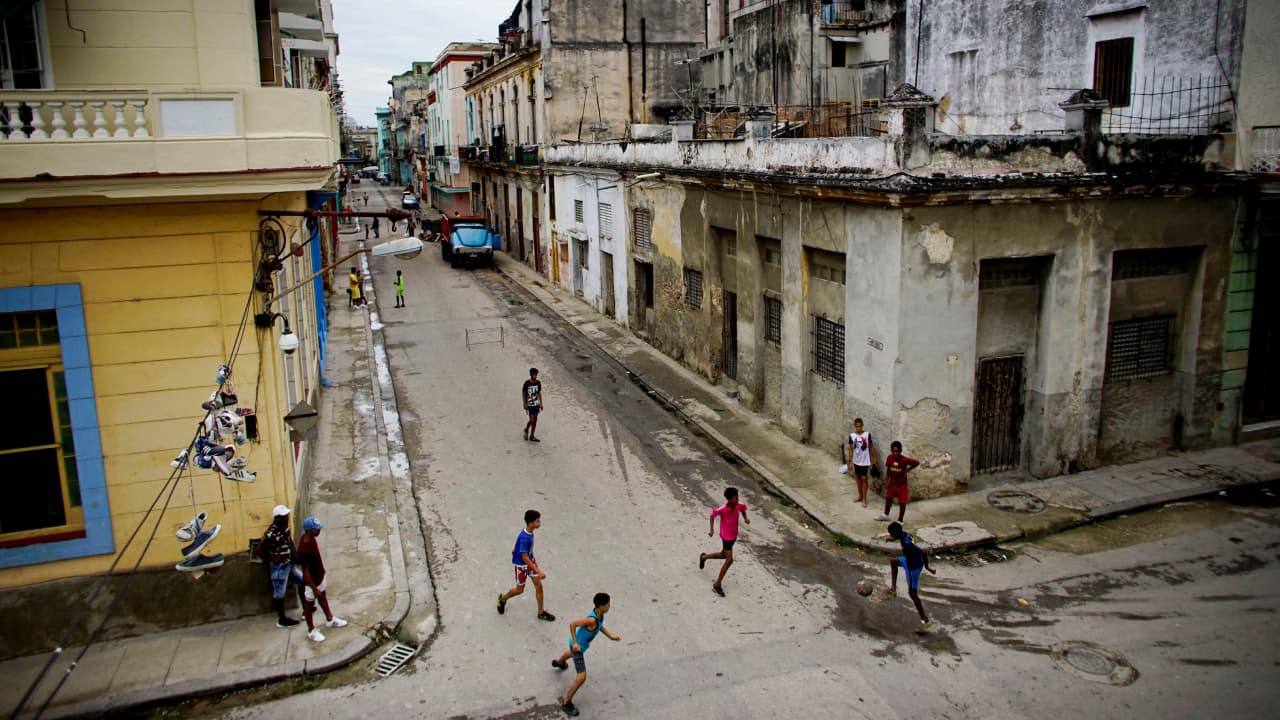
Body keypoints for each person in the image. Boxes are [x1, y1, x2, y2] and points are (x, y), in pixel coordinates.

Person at [551, 592, 620, 717]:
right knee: (582, 677)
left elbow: (600, 626)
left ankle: (559, 662)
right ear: (601, 606)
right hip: (577, 648)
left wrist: (610, 636)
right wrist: (575, 643)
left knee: (570, 653)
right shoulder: (591, 620)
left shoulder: (600, 615)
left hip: (577, 646)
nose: (609, 606)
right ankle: (567, 702)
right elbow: (573, 624)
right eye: (608, 605)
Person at [295, 516, 349, 643]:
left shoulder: (310, 538)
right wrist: (314, 588)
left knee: (323, 598)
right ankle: (311, 630)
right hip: (312, 582)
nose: (319, 531)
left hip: (319, 576)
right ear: (309, 530)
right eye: (316, 529)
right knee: (309, 606)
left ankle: (330, 619)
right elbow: (305, 572)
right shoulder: (304, 550)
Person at [497, 509, 555, 621]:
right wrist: (538, 570)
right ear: (531, 523)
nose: (539, 523)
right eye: (537, 521)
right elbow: (524, 557)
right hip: (522, 566)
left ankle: (541, 612)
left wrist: (515, 548)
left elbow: (518, 542)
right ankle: (503, 599)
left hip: (530, 562)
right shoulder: (525, 538)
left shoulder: (527, 532)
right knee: (519, 590)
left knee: (539, 586)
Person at [699, 487, 749, 597]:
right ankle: (717, 584)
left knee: (723, 555)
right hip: (726, 536)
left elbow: (743, 509)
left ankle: (704, 557)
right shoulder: (723, 509)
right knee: (729, 560)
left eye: (737, 497)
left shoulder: (739, 505)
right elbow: (712, 516)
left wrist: (745, 518)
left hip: (733, 535)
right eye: (735, 498)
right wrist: (711, 529)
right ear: (729, 499)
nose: (737, 499)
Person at [260, 505, 303, 628]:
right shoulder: (271, 533)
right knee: (279, 593)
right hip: (279, 568)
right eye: (284, 516)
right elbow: (259, 550)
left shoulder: (285, 528)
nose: (287, 517)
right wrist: (272, 558)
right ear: (278, 518)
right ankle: (282, 619)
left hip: (289, 564)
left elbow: (289, 542)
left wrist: (295, 555)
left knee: (302, 581)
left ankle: (306, 608)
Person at [887, 521, 936, 628]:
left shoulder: (907, 545)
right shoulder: (905, 534)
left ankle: (924, 619)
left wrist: (927, 567)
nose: (891, 536)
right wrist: (893, 539)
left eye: (891, 534)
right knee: (893, 562)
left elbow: (923, 552)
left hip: (913, 568)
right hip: (909, 561)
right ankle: (893, 589)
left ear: (896, 534)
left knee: (912, 594)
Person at [880, 441, 920, 522]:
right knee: (889, 498)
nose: (895, 453)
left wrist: (908, 469)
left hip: (902, 484)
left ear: (900, 451)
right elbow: (888, 469)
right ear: (891, 451)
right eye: (893, 451)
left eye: (897, 451)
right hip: (892, 483)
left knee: (902, 502)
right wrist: (887, 480)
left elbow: (916, 462)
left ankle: (900, 520)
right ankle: (885, 515)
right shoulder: (889, 458)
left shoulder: (904, 459)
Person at [846, 418, 880, 508]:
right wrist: (850, 461)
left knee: (864, 478)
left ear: (862, 426)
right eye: (857, 426)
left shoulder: (867, 435)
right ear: (855, 426)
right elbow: (851, 449)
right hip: (856, 461)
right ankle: (860, 496)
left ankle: (865, 498)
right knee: (858, 478)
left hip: (865, 461)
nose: (859, 428)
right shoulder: (852, 436)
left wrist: (875, 459)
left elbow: (872, 447)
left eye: (860, 426)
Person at [522, 368, 544, 442]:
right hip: (529, 405)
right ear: (530, 374)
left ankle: (532, 435)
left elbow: (539, 393)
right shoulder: (527, 383)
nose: (535, 376)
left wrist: (541, 403)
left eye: (536, 375)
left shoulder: (538, 383)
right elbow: (523, 392)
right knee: (531, 420)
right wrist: (524, 403)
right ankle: (526, 429)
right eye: (534, 374)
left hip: (536, 404)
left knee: (535, 420)